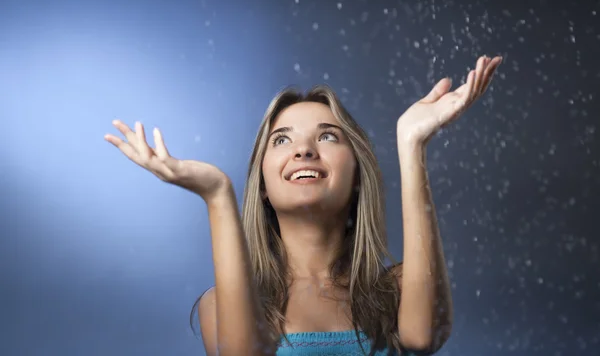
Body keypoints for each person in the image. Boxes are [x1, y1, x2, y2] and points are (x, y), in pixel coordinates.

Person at [105, 55, 502, 355]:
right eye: (281, 140)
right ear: (262, 186)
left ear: (358, 175)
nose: (304, 150)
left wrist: (411, 142)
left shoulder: (396, 288)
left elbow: (424, 335)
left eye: (328, 137)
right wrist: (217, 193)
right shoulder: (224, 303)